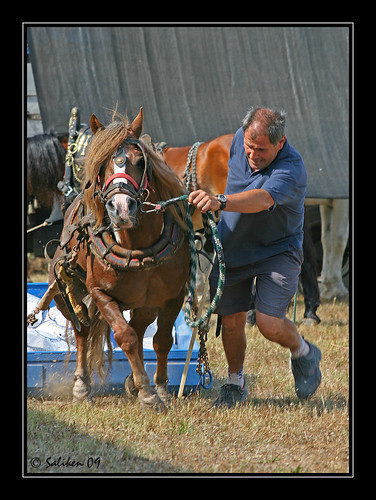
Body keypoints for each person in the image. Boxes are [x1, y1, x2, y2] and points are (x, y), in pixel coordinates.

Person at [188, 106, 321, 408]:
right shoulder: (239, 139)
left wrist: (219, 200)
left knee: (269, 323)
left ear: (280, 143)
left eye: (261, 150)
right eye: (249, 146)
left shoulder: (292, 169)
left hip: (278, 250)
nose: (253, 155)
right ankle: (235, 383)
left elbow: (262, 200)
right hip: (234, 245)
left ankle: (304, 352)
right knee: (231, 322)